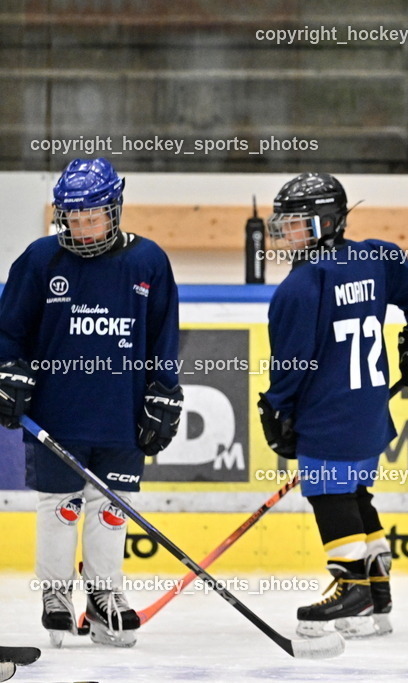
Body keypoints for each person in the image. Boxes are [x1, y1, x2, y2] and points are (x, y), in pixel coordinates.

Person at [0, 158, 182, 648]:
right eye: (72, 218)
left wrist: (164, 390)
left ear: (115, 209)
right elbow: (8, 332)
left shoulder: (148, 262)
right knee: (60, 505)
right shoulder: (40, 261)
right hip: (59, 413)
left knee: (111, 508)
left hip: (121, 412)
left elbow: (163, 339)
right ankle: (56, 594)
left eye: (92, 217)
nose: (82, 228)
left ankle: (105, 596)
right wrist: (7, 370)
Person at [257, 173, 408, 639]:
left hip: (329, 413)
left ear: (327, 220)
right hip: (369, 413)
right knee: (356, 494)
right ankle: (377, 595)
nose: (286, 232)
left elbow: (291, 363)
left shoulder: (300, 286)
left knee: (329, 494)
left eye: (298, 223)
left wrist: (276, 409)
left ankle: (351, 589)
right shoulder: (375, 255)